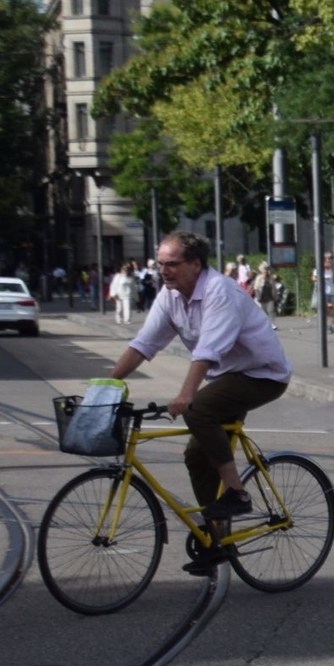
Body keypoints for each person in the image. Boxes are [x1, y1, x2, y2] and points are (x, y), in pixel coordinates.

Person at [105, 229, 293, 575]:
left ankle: (237, 493)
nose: (164, 270)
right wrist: (107, 385)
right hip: (227, 377)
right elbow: (145, 344)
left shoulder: (219, 291)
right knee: (195, 454)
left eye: (172, 264)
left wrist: (186, 395)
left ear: (195, 263)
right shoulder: (170, 295)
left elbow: (208, 350)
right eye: (161, 264)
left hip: (263, 375)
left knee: (199, 409)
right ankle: (218, 539)